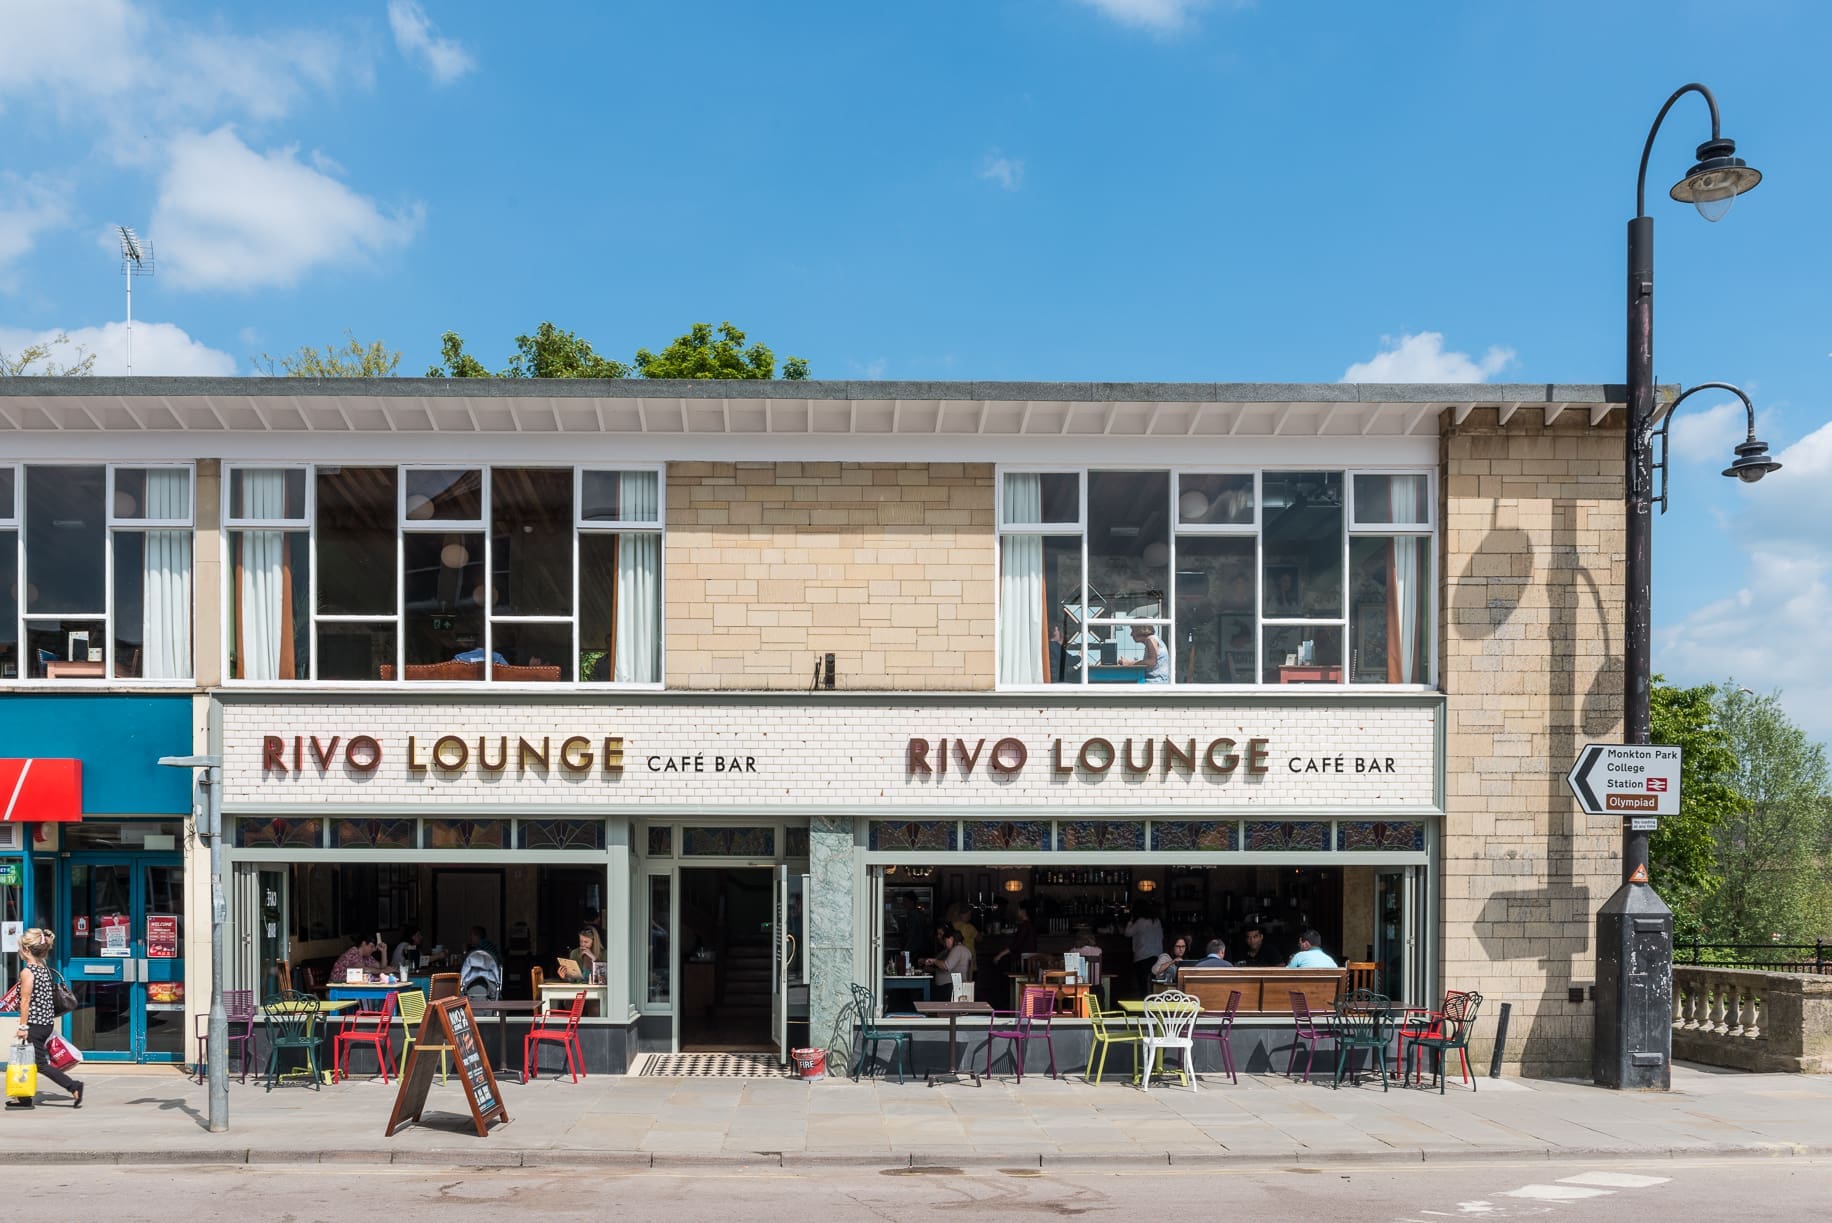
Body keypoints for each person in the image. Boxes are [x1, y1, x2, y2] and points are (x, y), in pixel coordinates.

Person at [10, 928, 82, 1108]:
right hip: (46, 1023)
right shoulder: (44, 969)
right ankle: (23, 1098)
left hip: (35, 1024)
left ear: (26, 950)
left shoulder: (28, 972)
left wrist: (23, 1027)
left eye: (20, 948)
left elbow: (25, 1001)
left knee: (39, 1063)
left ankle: (73, 1086)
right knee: (29, 1059)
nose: (19, 951)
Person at [1125, 904, 1165, 996]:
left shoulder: (1140, 921)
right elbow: (1161, 936)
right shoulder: (1157, 921)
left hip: (1142, 955)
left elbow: (1127, 933)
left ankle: (1143, 1002)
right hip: (1157, 954)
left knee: (1142, 983)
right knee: (1154, 982)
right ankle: (1154, 1002)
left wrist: (1131, 920)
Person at [922, 926, 973, 998]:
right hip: (950, 987)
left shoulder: (958, 949)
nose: (945, 944)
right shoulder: (961, 949)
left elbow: (946, 966)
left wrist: (934, 961)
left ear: (951, 939)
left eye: (945, 940)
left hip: (951, 987)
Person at [992, 901, 1037, 974]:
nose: (1017, 911)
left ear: (1023, 911)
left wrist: (999, 956)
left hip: (1023, 959)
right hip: (1028, 959)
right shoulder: (1029, 925)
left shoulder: (1024, 926)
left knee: (1001, 962)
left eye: (1018, 909)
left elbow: (1015, 945)